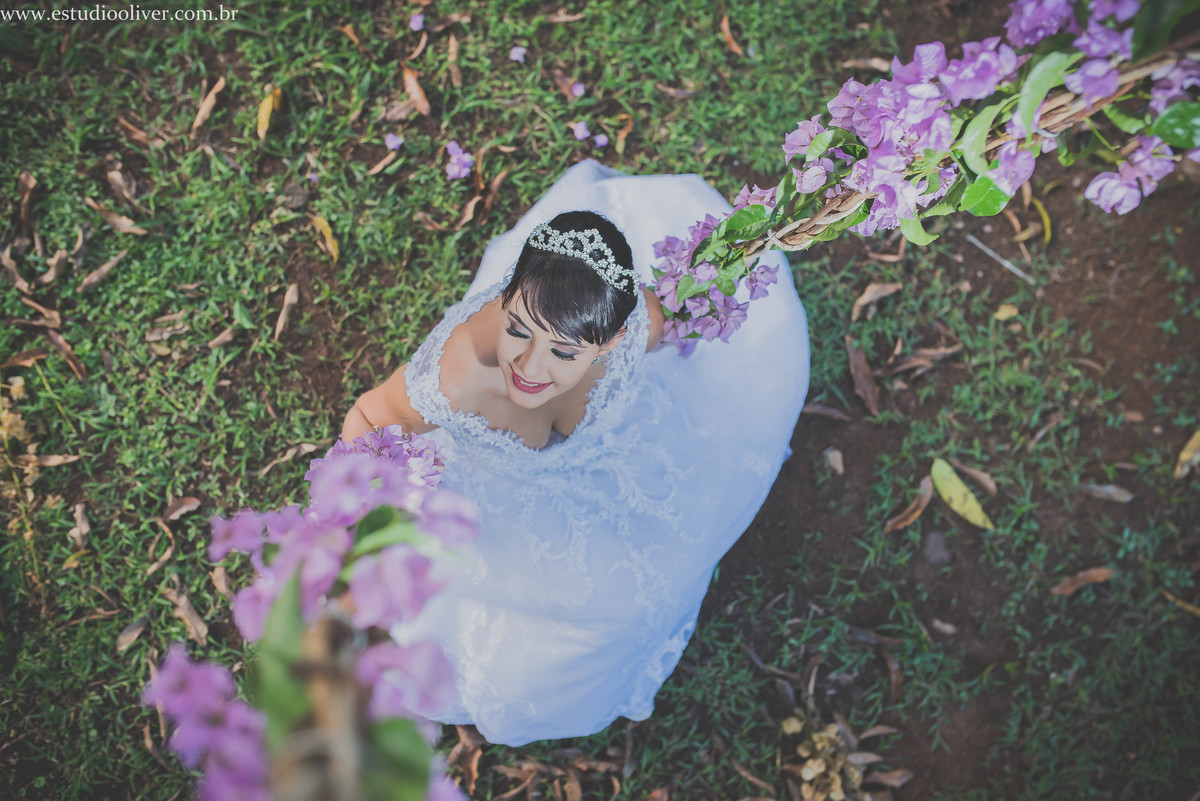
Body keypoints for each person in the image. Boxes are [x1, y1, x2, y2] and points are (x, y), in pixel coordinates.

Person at [340, 159, 810, 746]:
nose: (529, 369)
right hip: (488, 510)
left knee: (645, 585)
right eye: (519, 330)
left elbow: (666, 325)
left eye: (564, 352)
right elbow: (367, 417)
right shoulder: (456, 378)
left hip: (597, 459)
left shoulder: (636, 327)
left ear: (610, 341)